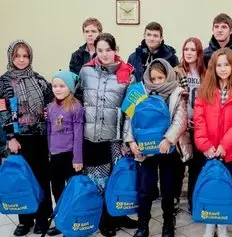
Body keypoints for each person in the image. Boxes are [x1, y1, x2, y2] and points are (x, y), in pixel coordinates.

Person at [76, 33, 138, 237]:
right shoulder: (86, 71)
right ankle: (104, 218)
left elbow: (131, 110)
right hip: (92, 136)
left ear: (115, 50)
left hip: (116, 137)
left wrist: (128, 138)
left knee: (118, 178)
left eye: (108, 50)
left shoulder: (128, 74)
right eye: (100, 50)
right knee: (99, 180)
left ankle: (118, 214)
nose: (104, 54)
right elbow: (75, 100)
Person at [124, 58, 189, 237]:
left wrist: (168, 140)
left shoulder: (178, 92)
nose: (157, 82)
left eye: (160, 77)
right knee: (145, 190)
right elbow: (130, 119)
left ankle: (168, 224)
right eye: (153, 78)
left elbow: (180, 119)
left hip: (169, 151)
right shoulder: (140, 91)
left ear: (168, 75)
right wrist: (131, 141)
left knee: (168, 190)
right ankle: (143, 225)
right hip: (146, 151)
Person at [194, 48, 232, 237]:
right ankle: (210, 226)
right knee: (212, 190)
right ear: (213, 68)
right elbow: (199, 119)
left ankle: (224, 226)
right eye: (219, 65)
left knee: (229, 191)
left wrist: (223, 146)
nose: (223, 68)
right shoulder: (204, 90)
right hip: (209, 152)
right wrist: (205, 145)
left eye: (226, 64)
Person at [0, 40, 53, 236]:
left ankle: (42, 217)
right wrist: (10, 137)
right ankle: (25, 220)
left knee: (41, 178)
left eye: (25, 56)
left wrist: (48, 113)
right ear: (11, 57)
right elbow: (3, 112)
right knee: (22, 179)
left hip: (40, 137)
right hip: (20, 138)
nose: (22, 60)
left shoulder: (39, 80)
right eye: (17, 56)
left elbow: (50, 104)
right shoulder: (4, 81)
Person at [45, 71, 84, 236]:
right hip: (55, 156)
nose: (58, 89)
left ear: (70, 87)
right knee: (58, 191)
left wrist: (78, 159)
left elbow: (78, 135)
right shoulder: (51, 107)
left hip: (70, 156)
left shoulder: (76, 107)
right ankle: (61, 221)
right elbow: (49, 131)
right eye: (55, 86)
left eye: (62, 86)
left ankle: (76, 220)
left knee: (74, 191)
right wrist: (49, 151)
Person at [174, 37, 206, 213]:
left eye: (193, 50)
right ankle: (175, 199)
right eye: (186, 49)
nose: (189, 53)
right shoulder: (177, 72)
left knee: (196, 166)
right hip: (181, 126)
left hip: (200, 126)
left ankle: (193, 201)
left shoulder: (206, 74)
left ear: (199, 52)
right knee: (178, 166)